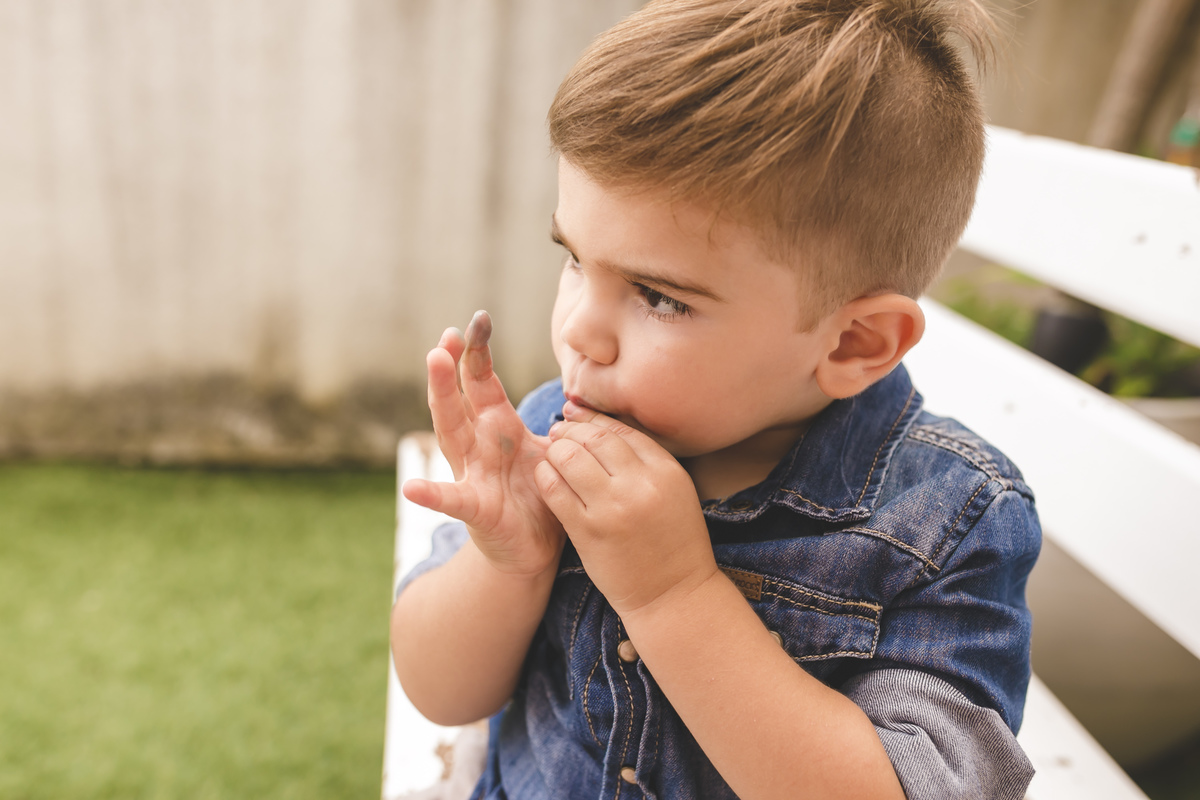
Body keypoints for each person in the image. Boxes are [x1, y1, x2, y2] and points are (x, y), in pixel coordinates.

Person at [392, 1, 1041, 798]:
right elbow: (440, 694)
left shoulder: (943, 523)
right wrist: (508, 562)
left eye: (659, 296)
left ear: (852, 344)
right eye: (575, 259)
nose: (579, 331)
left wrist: (674, 595)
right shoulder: (548, 429)